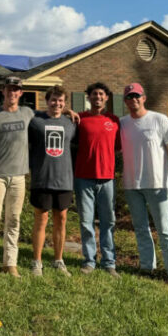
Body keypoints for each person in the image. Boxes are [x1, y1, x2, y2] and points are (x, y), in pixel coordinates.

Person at [119, 82, 168, 289]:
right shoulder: (122, 123)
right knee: (140, 228)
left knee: (164, 229)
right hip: (131, 184)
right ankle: (147, 267)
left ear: (144, 98)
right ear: (125, 101)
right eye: (129, 97)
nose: (133, 100)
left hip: (156, 183)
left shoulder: (159, 119)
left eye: (137, 96)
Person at [0, 76, 35, 278]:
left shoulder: (27, 113)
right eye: (9, 89)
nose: (12, 93)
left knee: (13, 220)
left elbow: (49, 115)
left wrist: (67, 111)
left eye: (16, 90)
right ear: (2, 91)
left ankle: (10, 263)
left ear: (20, 93)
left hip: (19, 176)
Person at [28, 85, 77, 277]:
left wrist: (67, 112)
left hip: (64, 180)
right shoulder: (35, 120)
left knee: (61, 220)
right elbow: (21, 109)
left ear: (65, 103)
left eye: (61, 101)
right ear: (47, 101)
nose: (57, 104)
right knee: (41, 220)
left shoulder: (71, 123)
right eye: (53, 100)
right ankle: (37, 262)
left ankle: (58, 260)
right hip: (42, 179)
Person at [74, 82, 120, 277]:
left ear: (107, 97)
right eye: (94, 94)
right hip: (83, 177)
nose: (98, 97)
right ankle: (89, 261)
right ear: (88, 97)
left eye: (101, 94)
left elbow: (118, 147)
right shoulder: (80, 119)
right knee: (86, 222)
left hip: (107, 178)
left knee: (108, 221)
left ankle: (109, 262)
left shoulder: (114, 120)